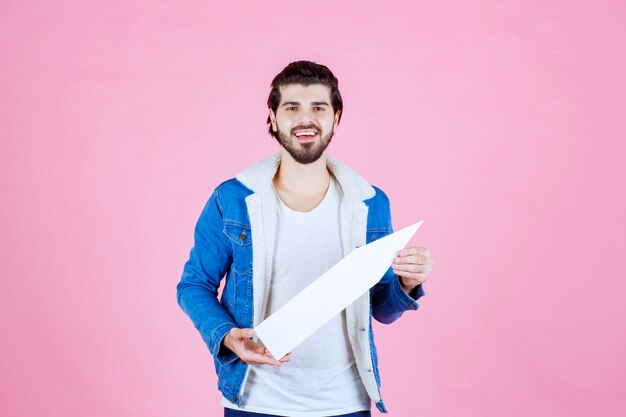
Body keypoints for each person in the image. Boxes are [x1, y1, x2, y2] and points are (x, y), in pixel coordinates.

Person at [176, 60, 434, 417]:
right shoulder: (231, 200)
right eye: (292, 107)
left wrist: (406, 284)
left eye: (318, 107)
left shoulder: (370, 203)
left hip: (345, 403)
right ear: (273, 117)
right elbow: (193, 284)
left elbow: (381, 310)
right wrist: (226, 335)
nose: (305, 118)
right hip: (254, 401)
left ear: (336, 118)